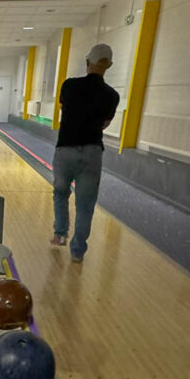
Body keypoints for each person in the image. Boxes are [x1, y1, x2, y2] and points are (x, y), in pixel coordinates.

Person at [50, 43, 120, 262]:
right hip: (92, 152)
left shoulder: (69, 85)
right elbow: (105, 124)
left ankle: (60, 234)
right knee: (85, 204)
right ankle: (78, 251)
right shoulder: (112, 95)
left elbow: (64, 110)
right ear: (108, 65)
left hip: (66, 149)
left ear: (87, 62)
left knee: (61, 193)